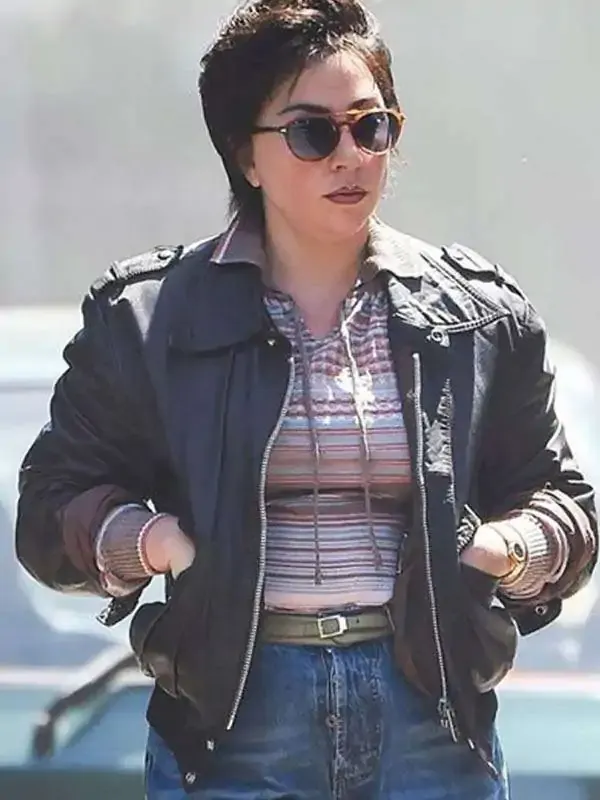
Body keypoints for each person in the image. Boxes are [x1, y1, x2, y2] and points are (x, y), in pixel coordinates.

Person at [15, 1, 597, 797]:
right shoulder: (150, 319)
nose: (349, 155)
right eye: (312, 133)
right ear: (245, 157)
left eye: (371, 127)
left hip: (432, 718)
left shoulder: (476, 317)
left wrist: (501, 550)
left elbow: (565, 503)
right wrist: (156, 543)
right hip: (235, 726)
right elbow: (50, 510)